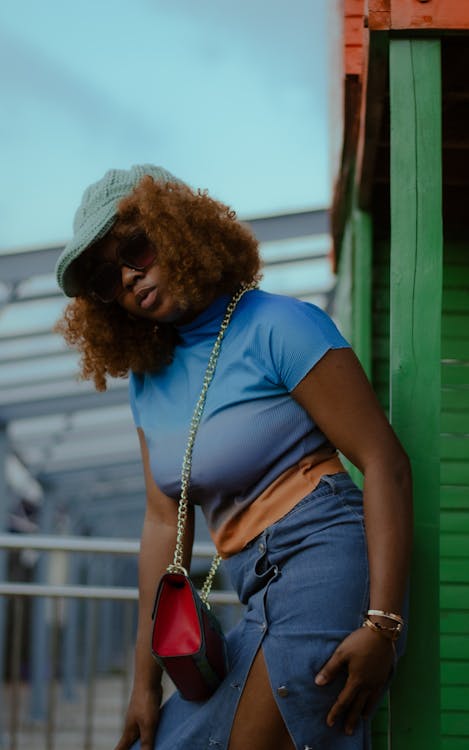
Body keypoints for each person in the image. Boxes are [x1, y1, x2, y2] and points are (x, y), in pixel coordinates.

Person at [55, 164, 412, 750]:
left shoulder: (280, 325)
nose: (127, 277)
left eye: (136, 250)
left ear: (178, 233)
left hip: (324, 553)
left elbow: (385, 462)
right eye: (104, 278)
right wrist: (145, 685)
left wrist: (384, 625)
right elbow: (161, 522)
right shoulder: (147, 383)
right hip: (253, 590)